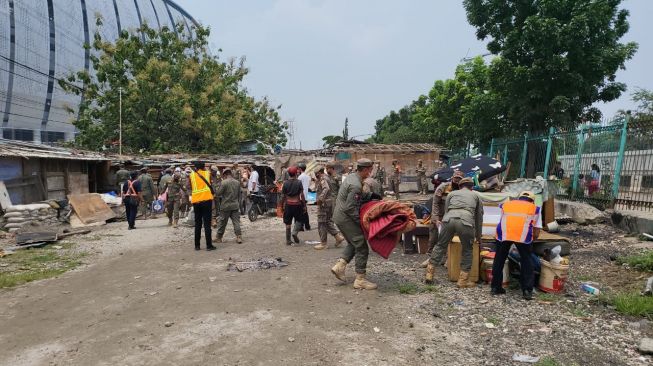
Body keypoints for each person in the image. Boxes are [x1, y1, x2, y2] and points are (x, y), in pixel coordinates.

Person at [424, 177, 483, 288]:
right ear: (471, 187)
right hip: (466, 221)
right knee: (467, 249)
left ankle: (429, 274)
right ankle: (462, 281)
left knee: (440, 245)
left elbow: (446, 211)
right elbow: (478, 217)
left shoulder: (452, 194)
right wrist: (478, 236)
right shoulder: (476, 196)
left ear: (460, 186)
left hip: (448, 219)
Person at [330, 158, 378, 290]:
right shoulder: (356, 185)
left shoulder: (352, 177)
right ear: (367, 169)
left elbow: (356, 198)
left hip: (340, 216)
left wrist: (370, 196)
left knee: (353, 242)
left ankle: (339, 266)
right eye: (370, 169)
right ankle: (360, 280)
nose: (371, 172)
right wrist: (363, 223)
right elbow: (350, 208)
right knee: (361, 245)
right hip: (345, 218)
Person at [491, 191, 542, 300]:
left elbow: (501, 220)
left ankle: (495, 287)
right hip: (523, 236)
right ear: (532, 201)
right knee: (526, 261)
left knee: (499, 259)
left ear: (519, 198)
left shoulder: (507, 204)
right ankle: (527, 290)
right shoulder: (534, 208)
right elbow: (537, 228)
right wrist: (533, 240)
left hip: (504, 233)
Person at [421, 170, 464, 268]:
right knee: (434, 238)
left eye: (459, 179)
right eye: (456, 178)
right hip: (439, 215)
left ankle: (447, 259)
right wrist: (436, 219)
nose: (457, 180)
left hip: (452, 217)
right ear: (452, 178)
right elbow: (435, 203)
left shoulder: (463, 190)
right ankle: (431, 258)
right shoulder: (443, 187)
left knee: (451, 238)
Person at [314, 165, 345, 250]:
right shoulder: (326, 178)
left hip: (324, 204)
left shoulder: (323, 179)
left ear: (319, 173)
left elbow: (326, 189)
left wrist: (320, 199)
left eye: (316, 174)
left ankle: (323, 243)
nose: (315, 175)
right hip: (328, 203)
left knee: (321, 223)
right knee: (327, 222)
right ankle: (338, 237)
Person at [188, 161, 215, 251]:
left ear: (196, 167)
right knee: (207, 223)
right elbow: (211, 184)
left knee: (198, 223)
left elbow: (191, 187)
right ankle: (209, 245)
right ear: (204, 167)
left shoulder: (191, 175)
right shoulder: (208, 173)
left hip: (196, 201)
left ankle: (197, 246)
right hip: (207, 200)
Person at [215, 168, 243, 244]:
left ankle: (219, 238)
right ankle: (239, 237)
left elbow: (218, 193)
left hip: (225, 206)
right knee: (236, 222)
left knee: (222, 223)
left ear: (225, 175)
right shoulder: (237, 182)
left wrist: (216, 188)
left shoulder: (223, 182)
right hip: (235, 205)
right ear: (231, 174)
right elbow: (239, 195)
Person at [281, 166, 305, 245]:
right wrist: (304, 205)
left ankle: (288, 240)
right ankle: (294, 233)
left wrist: (281, 206)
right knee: (299, 220)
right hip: (297, 204)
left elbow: (283, 196)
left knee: (288, 223)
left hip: (288, 205)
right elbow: (302, 195)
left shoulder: (285, 183)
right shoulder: (299, 182)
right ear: (295, 173)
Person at [297, 163, 312, 231]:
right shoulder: (308, 177)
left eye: (298, 169)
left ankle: (301, 226)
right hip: (306, 195)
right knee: (305, 211)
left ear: (300, 169)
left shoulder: (300, 177)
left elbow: (299, 187)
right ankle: (307, 226)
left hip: (301, 196)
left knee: (300, 212)